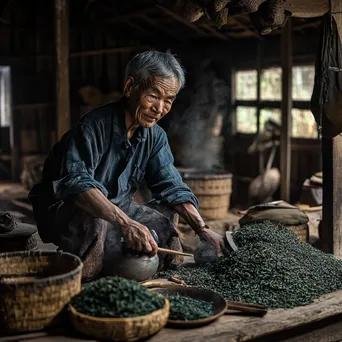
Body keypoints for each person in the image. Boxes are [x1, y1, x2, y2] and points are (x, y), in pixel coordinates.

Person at [29, 50, 225, 280]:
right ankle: (87, 281)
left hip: (117, 208)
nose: (159, 108)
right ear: (130, 87)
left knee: (163, 222)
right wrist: (126, 223)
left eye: (168, 100)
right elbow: (77, 186)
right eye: (153, 95)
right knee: (95, 223)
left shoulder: (155, 136)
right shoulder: (93, 127)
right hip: (70, 211)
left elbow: (172, 186)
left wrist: (201, 229)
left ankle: (164, 278)